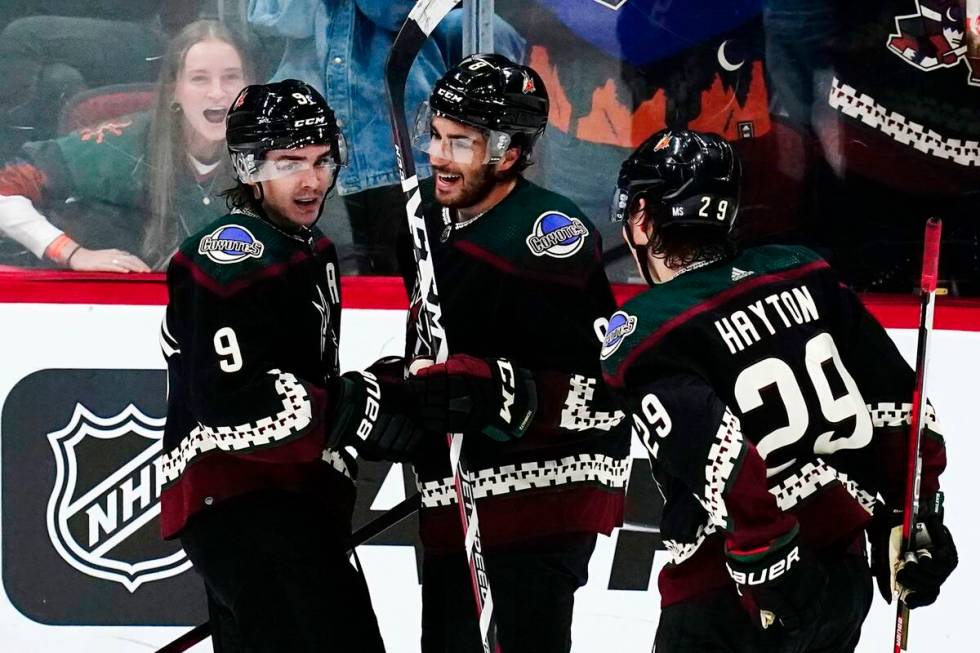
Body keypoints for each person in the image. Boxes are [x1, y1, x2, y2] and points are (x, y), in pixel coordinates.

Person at [601, 128, 959, 652]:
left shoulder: (646, 329)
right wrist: (915, 517)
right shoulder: (802, 271)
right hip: (843, 580)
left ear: (641, 217)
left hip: (735, 593)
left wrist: (770, 563)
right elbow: (899, 405)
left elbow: (720, 457)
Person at [159, 79, 432, 652]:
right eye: (289, 162)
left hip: (289, 501)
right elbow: (231, 403)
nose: (312, 180)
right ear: (249, 166)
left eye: (321, 160)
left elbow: (310, 383)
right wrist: (350, 405)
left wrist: (375, 391)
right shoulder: (227, 255)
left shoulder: (309, 248)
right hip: (245, 505)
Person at [401, 54, 631, 653]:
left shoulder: (549, 239)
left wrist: (501, 391)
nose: (436, 156)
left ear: (507, 153)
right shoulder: (429, 218)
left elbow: (605, 394)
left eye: (460, 144)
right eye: (436, 136)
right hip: (458, 499)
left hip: (537, 513)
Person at [248, 0, 525, 277]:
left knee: (405, 275)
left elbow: (396, 12)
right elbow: (271, 17)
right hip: (312, 146)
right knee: (317, 273)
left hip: (391, 151)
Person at [0, 19, 250, 272]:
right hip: (130, 300)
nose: (217, 92)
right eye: (200, 79)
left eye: (231, 77)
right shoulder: (119, 146)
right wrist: (72, 253)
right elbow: (5, 190)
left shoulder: (274, 152)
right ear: (175, 89)